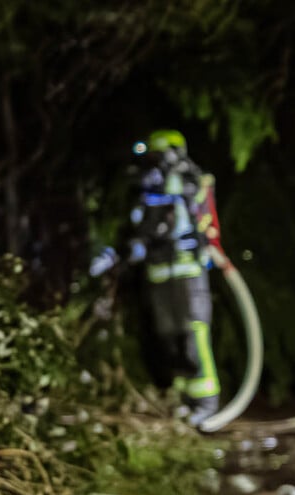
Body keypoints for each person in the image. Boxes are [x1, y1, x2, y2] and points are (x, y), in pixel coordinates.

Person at [91, 129, 221, 427]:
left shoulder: (187, 179)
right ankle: (183, 400)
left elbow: (172, 219)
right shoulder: (148, 185)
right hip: (159, 273)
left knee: (193, 335)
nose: (151, 162)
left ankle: (206, 403)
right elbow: (142, 224)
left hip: (187, 270)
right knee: (167, 337)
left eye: (156, 155)